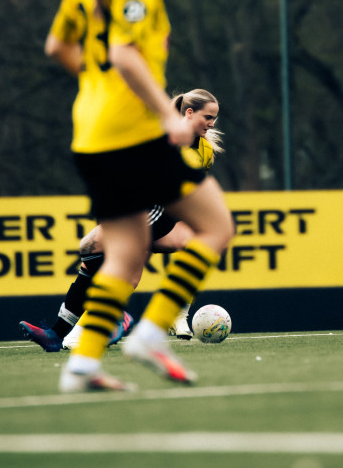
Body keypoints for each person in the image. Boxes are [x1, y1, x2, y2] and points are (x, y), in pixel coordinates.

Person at [45, 0, 234, 393]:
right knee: (216, 227)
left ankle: (82, 365)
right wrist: (166, 115)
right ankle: (150, 334)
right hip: (132, 132)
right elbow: (126, 53)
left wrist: (100, 85)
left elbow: (57, 48)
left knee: (126, 256)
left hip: (90, 133)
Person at [19, 88, 224, 350]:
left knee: (95, 251)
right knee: (105, 263)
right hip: (138, 208)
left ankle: (128, 316)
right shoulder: (162, 134)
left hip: (154, 214)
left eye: (214, 118)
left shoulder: (204, 150)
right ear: (190, 113)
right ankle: (58, 334)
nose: (212, 124)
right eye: (208, 117)